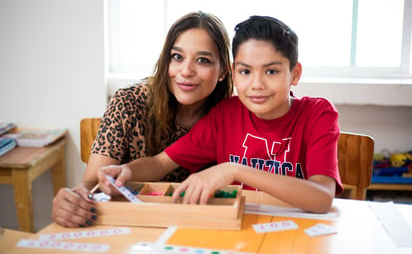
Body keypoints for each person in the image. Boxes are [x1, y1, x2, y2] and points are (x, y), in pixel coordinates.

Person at [97, 15, 343, 213]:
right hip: (231, 229)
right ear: (233, 73)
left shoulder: (318, 114)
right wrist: (127, 171)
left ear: (295, 74)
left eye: (271, 72)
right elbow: (160, 163)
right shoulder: (225, 115)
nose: (257, 84)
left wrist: (234, 170)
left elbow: (321, 199)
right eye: (246, 72)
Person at [52, 11, 233, 227]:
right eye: (177, 57)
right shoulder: (128, 101)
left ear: (223, 70)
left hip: (201, 227)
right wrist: (73, 200)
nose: (186, 71)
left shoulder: (231, 117)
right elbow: (91, 183)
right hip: (132, 227)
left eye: (202, 60)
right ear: (165, 60)